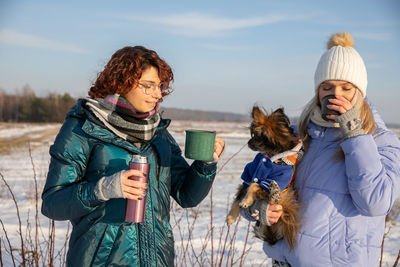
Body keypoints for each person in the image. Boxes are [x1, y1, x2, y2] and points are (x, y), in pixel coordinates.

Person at [41, 46, 225, 266]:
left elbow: (187, 195)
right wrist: (102, 189)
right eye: (148, 86)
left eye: (160, 86)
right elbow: (52, 203)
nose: (157, 94)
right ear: (122, 83)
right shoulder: (83, 129)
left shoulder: (159, 134)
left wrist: (206, 164)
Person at [242, 32, 400, 266]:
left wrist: (354, 134)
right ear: (318, 91)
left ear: (360, 91)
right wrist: (259, 208)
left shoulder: (379, 140)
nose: (336, 95)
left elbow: (376, 203)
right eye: (327, 87)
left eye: (346, 88)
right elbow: (254, 187)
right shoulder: (299, 136)